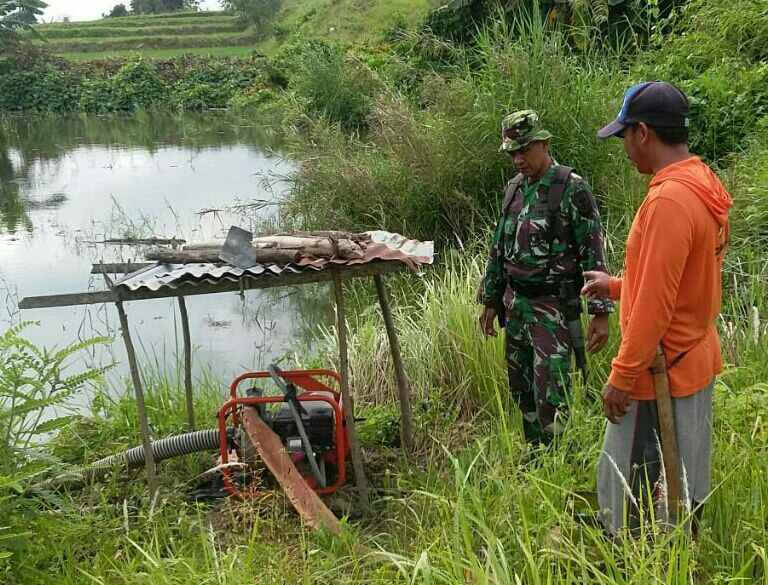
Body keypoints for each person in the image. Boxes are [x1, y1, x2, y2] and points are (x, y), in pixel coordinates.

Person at [584, 81, 733, 534]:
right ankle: (673, 537)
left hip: (659, 368)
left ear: (643, 133)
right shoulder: (702, 182)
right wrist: (614, 287)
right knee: (684, 466)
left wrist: (622, 376)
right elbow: (678, 281)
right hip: (692, 353)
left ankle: (630, 552)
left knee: (636, 476)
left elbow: (655, 304)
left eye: (624, 137)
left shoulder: (668, 200)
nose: (625, 148)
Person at [478, 109, 613, 444]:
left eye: (524, 150)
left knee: (552, 393)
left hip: (551, 309)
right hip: (516, 305)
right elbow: (499, 248)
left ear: (544, 143)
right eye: (512, 153)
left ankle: (559, 461)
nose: (519, 159)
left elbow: (593, 251)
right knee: (520, 386)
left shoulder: (570, 188)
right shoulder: (514, 190)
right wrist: (491, 300)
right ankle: (535, 455)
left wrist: (599, 313)